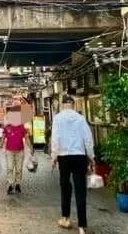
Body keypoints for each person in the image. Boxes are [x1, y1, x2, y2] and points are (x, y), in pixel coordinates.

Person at [50, 96, 95, 234]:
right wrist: (91, 156)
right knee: (80, 189)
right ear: (73, 105)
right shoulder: (80, 119)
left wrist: (54, 156)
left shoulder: (57, 118)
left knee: (65, 187)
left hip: (64, 157)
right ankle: (82, 225)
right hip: (79, 156)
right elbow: (88, 138)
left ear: (63, 105)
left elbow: (55, 138)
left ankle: (66, 218)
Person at [3, 107, 34, 195]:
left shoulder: (21, 127)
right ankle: (10, 184)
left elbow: (26, 138)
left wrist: (31, 148)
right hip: (9, 151)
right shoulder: (7, 127)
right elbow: (3, 138)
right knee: (10, 167)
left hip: (20, 151)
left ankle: (18, 184)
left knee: (19, 169)